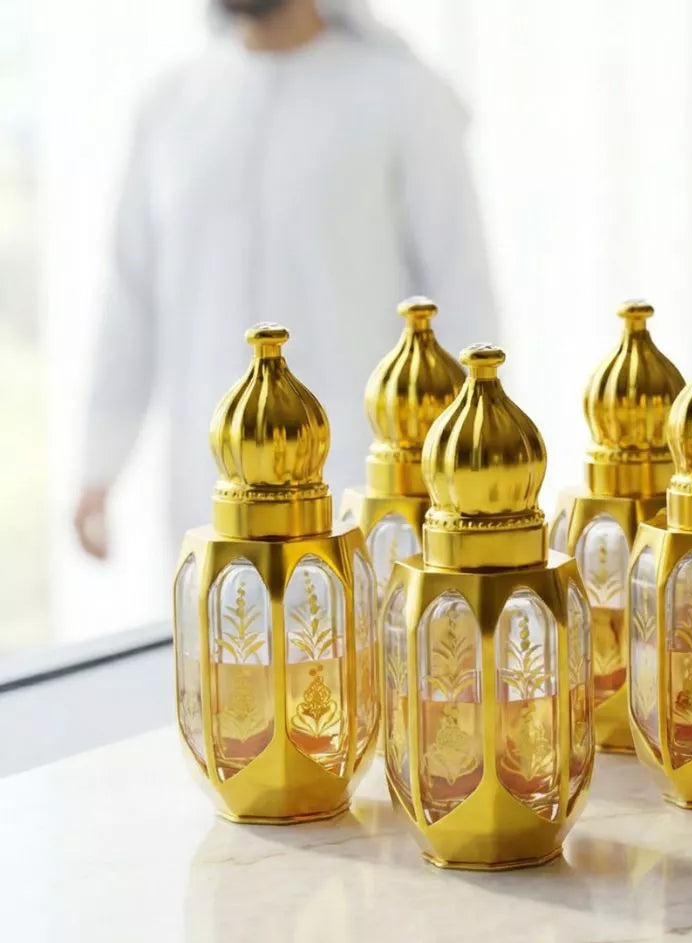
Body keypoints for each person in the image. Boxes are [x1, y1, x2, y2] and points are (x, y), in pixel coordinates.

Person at [72, 0, 497, 559]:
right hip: (206, 496)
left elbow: (461, 296)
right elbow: (131, 302)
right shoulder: (169, 107)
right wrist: (99, 468)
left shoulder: (403, 99)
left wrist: (476, 478)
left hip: (362, 498)